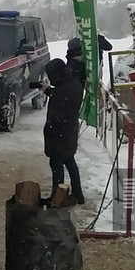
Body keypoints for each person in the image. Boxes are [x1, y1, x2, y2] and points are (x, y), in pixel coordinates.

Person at [41, 59, 84, 206]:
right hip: (70, 129)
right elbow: (64, 95)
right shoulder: (74, 83)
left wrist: (49, 131)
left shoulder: (61, 91)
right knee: (70, 161)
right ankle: (77, 193)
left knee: (57, 164)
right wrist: (48, 90)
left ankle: (57, 195)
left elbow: (56, 116)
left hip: (60, 133)